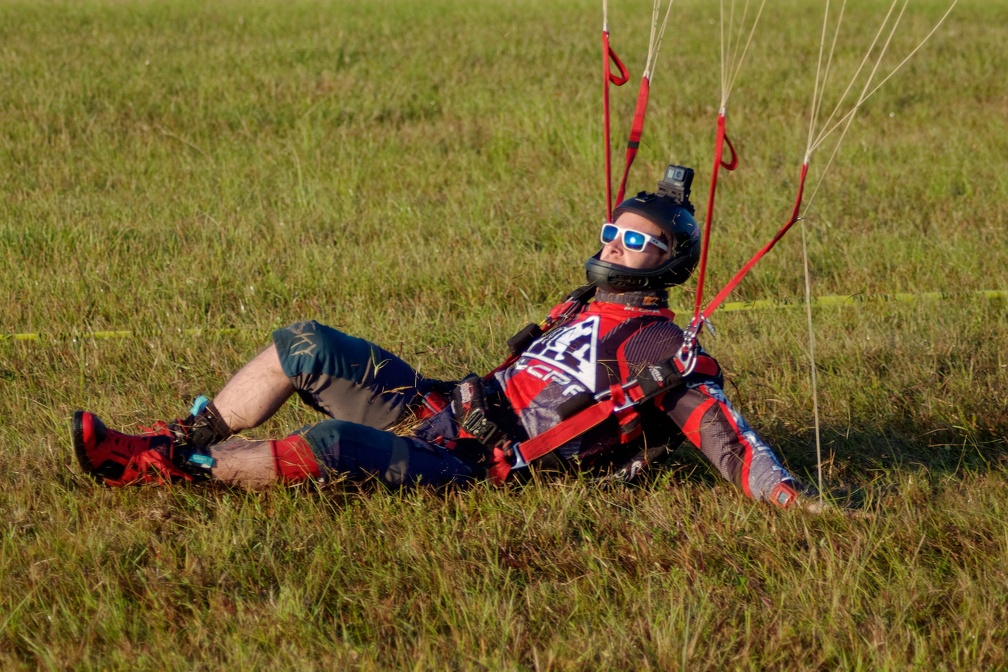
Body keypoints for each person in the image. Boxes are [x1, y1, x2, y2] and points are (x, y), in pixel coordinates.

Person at [72, 165, 805, 508]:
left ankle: (178, 467)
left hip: (479, 464)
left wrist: (791, 499)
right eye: (612, 231)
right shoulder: (583, 305)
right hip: (441, 410)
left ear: (669, 260)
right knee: (305, 342)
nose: (613, 245)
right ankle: (173, 434)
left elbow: (727, 436)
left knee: (330, 450)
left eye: (634, 241)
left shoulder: (654, 346)